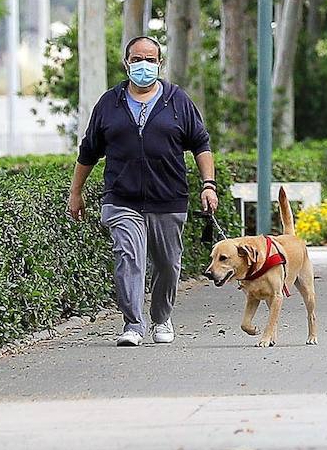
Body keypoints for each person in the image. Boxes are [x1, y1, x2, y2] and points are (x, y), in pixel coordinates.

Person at [67, 36, 217, 346]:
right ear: (126, 64)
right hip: (122, 198)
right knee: (129, 257)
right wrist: (75, 192)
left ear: (160, 64)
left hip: (168, 198)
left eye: (150, 60)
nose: (143, 66)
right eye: (137, 60)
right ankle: (133, 324)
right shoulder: (110, 103)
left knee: (167, 264)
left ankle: (161, 318)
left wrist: (208, 185)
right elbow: (88, 151)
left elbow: (200, 144)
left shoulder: (177, 101)